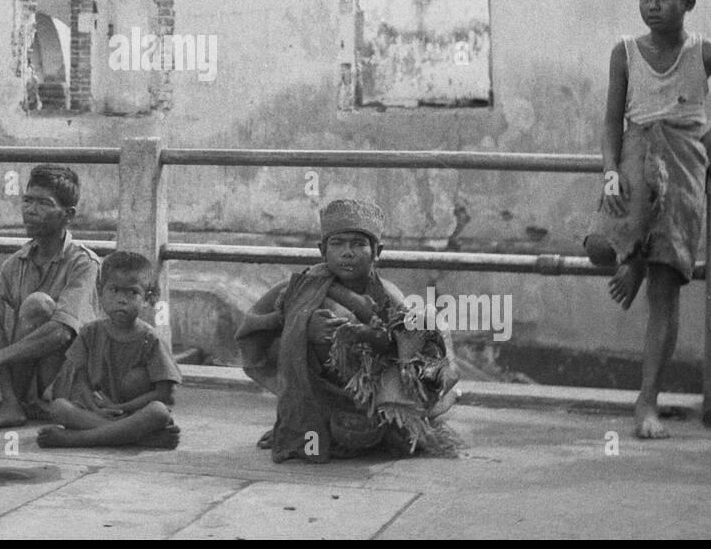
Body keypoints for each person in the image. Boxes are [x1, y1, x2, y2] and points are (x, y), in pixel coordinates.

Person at [584, 0, 711, 439]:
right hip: (635, 156)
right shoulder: (624, 52)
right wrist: (610, 172)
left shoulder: (708, 53)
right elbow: (613, 120)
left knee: (664, 288)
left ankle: (646, 402)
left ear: (688, 4)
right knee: (597, 246)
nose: (653, 6)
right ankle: (630, 256)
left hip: (683, 160)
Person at [236, 199, 458, 464]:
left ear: (378, 251)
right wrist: (303, 326)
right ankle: (297, 423)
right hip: (318, 390)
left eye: (358, 244)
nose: (347, 253)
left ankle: (383, 426)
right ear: (322, 251)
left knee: (364, 434)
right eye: (337, 244)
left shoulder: (388, 295)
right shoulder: (297, 289)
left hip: (369, 392)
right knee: (328, 435)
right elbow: (255, 331)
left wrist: (369, 336)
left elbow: (405, 350)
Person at [0, 164, 99, 431]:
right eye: (28, 200)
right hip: (20, 380)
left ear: (68, 215)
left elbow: (61, 333)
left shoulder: (84, 263)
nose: (31, 210)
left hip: (60, 381)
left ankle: (15, 403)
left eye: (43, 203)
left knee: (38, 305)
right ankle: (9, 404)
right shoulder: (17, 262)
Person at [37, 251, 182, 449]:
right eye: (114, 290)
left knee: (159, 412)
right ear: (100, 290)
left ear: (148, 298)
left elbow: (164, 393)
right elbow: (80, 379)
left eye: (132, 293)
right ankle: (140, 439)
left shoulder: (151, 339)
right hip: (98, 412)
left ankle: (76, 439)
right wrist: (96, 406)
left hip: (136, 413)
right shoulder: (90, 332)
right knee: (59, 408)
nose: (122, 300)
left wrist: (121, 408)